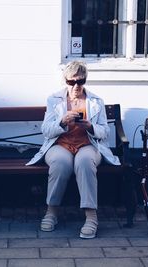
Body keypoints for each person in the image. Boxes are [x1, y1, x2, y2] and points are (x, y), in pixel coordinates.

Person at [26, 61, 120, 239]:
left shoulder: (96, 101)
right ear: (65, 81)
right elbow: (46, 130)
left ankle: (91, 217)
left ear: (85, 80)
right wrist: (62, 122)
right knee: (60, 163)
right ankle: (51, 212)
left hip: (88, 145)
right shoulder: (54, 99)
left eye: (80, 81)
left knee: (85, 162)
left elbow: (105, 131)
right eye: (72, 82)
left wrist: (91, 127)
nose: (76, 86)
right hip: (60, 145)